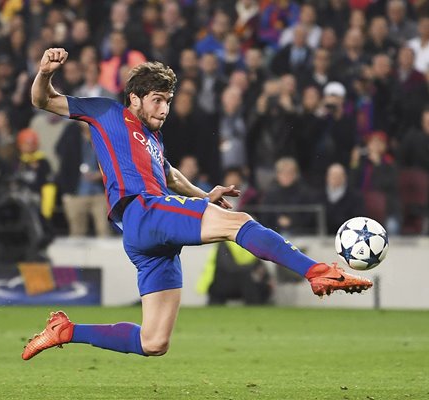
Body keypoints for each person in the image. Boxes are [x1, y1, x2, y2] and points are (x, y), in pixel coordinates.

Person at [22, 48, 372, 361]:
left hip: (146, 237)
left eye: (168, 101)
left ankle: (66, 331)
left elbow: (171, 175)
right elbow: (43, 100)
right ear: (135, 98)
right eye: (157, 100)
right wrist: (45, 72)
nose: (165, 109)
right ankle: (317, 272)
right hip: (145, 211)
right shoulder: (106, 112)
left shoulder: (153, 139)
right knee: (239, 223)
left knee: (154, 341)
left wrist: (204, 196)